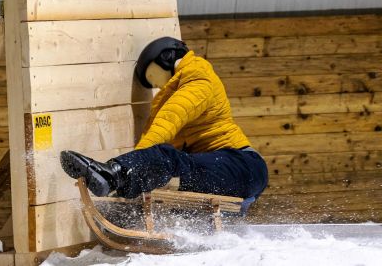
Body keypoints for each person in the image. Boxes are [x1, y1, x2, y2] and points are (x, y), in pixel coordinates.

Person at [60, 37, 268, 203]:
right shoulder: (174, 91)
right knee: (172, 169)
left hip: (243, 165)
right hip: (220, 170)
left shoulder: (198, 74)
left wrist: (136, 161)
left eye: (155, 77)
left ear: (167, 57)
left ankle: (112, 173)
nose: (158, 86)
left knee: (167, 158)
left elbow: (171, 118)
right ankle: (124, 196)